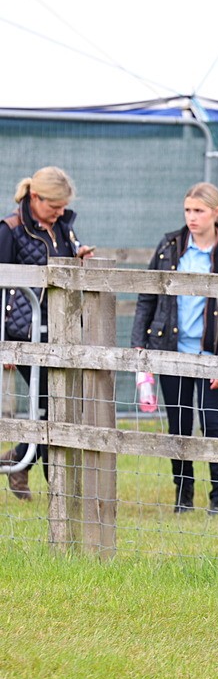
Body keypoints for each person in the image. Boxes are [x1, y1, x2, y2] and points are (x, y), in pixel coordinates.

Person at [131, 183, 218, 514]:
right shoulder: (169, 247)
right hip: (171, 350)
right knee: (179, 425)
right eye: (188, 211)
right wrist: (139, 343)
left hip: (209, 354)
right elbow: (147, 297)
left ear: (216, 212)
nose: (192, 217)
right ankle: (183, 495)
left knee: (212, 425)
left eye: (199, 211)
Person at [0, 167, 95, 500]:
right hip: (24, 332)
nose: (58, 211)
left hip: (60, 330)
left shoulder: (64, 229)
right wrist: (6, 346)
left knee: (61, 404)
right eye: (54, 205)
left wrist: (80, 257)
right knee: (48, 403)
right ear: (35, 197)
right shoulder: (9, 230)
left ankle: (27, 463)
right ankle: (29, 465)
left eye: (62, 206)